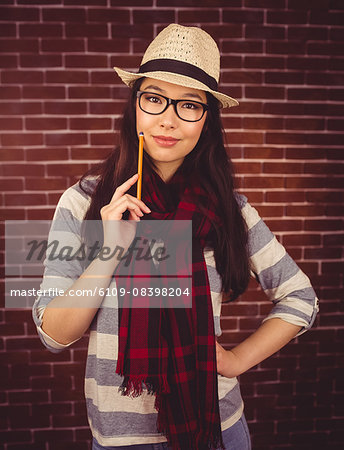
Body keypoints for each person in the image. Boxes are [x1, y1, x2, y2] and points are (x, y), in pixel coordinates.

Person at [32, 24, 319, 450]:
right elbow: (54, 334)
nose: (168, 119)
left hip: (217, 428)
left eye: (189, 105)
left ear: (207, 119)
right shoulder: (85, 202)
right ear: (135, 106)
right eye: (154, 99)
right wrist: (111, 249)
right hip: (120, 439)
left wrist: (236, 359)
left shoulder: (229, 210)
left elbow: (301, 298)